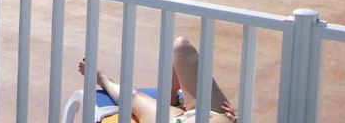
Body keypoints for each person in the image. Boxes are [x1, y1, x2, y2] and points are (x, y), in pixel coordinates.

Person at [77, 37, 237, 123]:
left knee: (133, 98)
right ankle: (171, 97)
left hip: (175, 121)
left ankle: (103, 80)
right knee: (181, 47)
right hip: (215, 113)